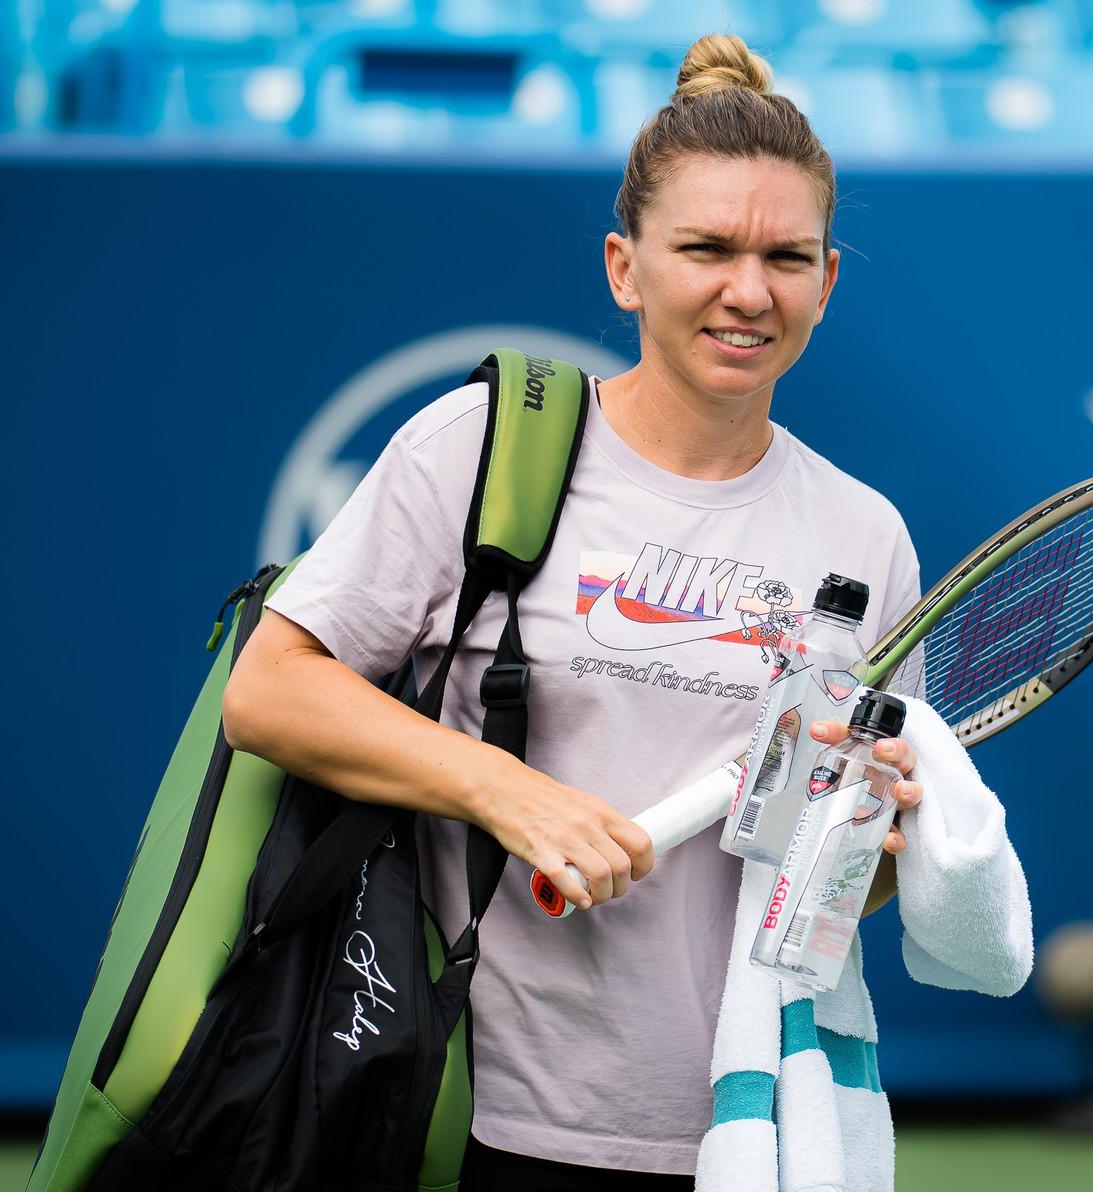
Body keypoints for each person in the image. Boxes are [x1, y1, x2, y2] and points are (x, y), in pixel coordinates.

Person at [222, 33, 926, 1190]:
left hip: (755, 1132)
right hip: (484, 1117)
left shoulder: (865, 536)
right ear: (624, 266)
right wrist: (511, 793)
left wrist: (867, 843)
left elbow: (841, 891)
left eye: (785, 257)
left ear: (827, 281)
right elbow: (270, 688)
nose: (748, 291)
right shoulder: (485, 450)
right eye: (704, 248)